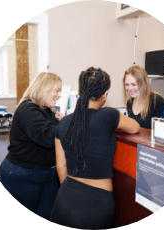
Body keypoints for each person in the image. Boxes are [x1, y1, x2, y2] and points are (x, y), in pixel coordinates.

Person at [50, 67, 140, 229]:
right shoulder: (109, 116)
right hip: (96, 206)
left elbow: (61, 166)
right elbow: (134, 127)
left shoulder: (62, 123)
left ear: (79, 90)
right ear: (105, 94)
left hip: (64, 201)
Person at [0, 72, 63, 221]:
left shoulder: (46, 109)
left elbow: (54, 131)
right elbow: (49, 137)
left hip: (47, 174)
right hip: (23, 175)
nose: (59, 95)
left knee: (49, 215)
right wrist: (67, 122)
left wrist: (61, 121)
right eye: (57, 90)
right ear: (44, 88)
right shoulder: (28, 109)